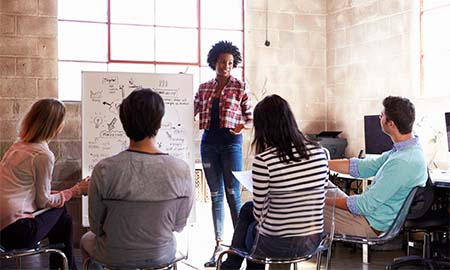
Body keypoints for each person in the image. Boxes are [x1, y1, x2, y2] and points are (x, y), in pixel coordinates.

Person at [80, 88, 194, 268]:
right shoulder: (181, 170)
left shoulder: (104, 169)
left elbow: (96, 227)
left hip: (114, 254)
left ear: (124, 122)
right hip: (161, 253)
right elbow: (179, 225)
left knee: (85, 240)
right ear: (160, 122)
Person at [220, 95, 329, 269]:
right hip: (311, 240)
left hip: (276, 244)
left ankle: (230, 265)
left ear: (263, 128)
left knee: (251, 228)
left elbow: (260, 214)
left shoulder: (265, 161)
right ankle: (230, 265)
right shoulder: (320, 152)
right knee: (248, 209)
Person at [0, 98, 89, 270]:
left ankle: (66, 266)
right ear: (56, 125)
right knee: (61, 210)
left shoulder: (17, 146)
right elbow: (43, 202)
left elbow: (27, 193)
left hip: (3, 230)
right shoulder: (42, 155)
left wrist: (60, 194)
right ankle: (66, 267)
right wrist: (77, 190)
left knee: (63, 219)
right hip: (17, 232)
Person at [325, 96, 427, 237]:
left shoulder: (403, 162)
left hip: (366, 224)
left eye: (382, 115)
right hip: (365, 216)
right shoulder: (405, 150)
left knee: (303, 208)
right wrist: (322, 163)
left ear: (391, 124)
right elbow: (364, 167)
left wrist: (321, 201)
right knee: (321, 185)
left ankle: (294, 253)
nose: (380, 117)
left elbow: (363, 205)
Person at [194, 40, 253, 267]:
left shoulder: (240, 86)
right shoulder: (204, 88)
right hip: (208, 143)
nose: (225, 66)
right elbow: (192, 109)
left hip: (231, 144)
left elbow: (250, 117)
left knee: (233, 194)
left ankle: (240, 249)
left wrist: (239, 127)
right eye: (221, 62)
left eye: (229, 63)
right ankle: (218, 246)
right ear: (214, 62)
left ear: (234, 64)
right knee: (216, 196)